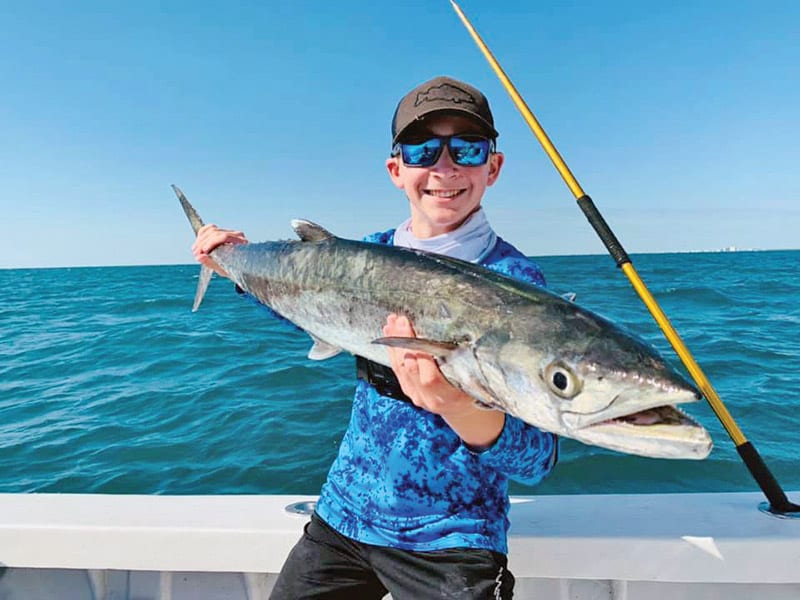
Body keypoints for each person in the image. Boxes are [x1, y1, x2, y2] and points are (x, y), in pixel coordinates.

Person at [192, 76, 558, 599]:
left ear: (493, 167)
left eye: (468, 148)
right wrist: (234, 265)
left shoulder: (516, 284)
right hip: (344, 516)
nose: (445, 167)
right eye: (423, 150)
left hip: (452, 540)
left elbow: (536, 459)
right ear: (396, 169)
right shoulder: (361, 254)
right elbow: (310, 311)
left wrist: (455, 406)